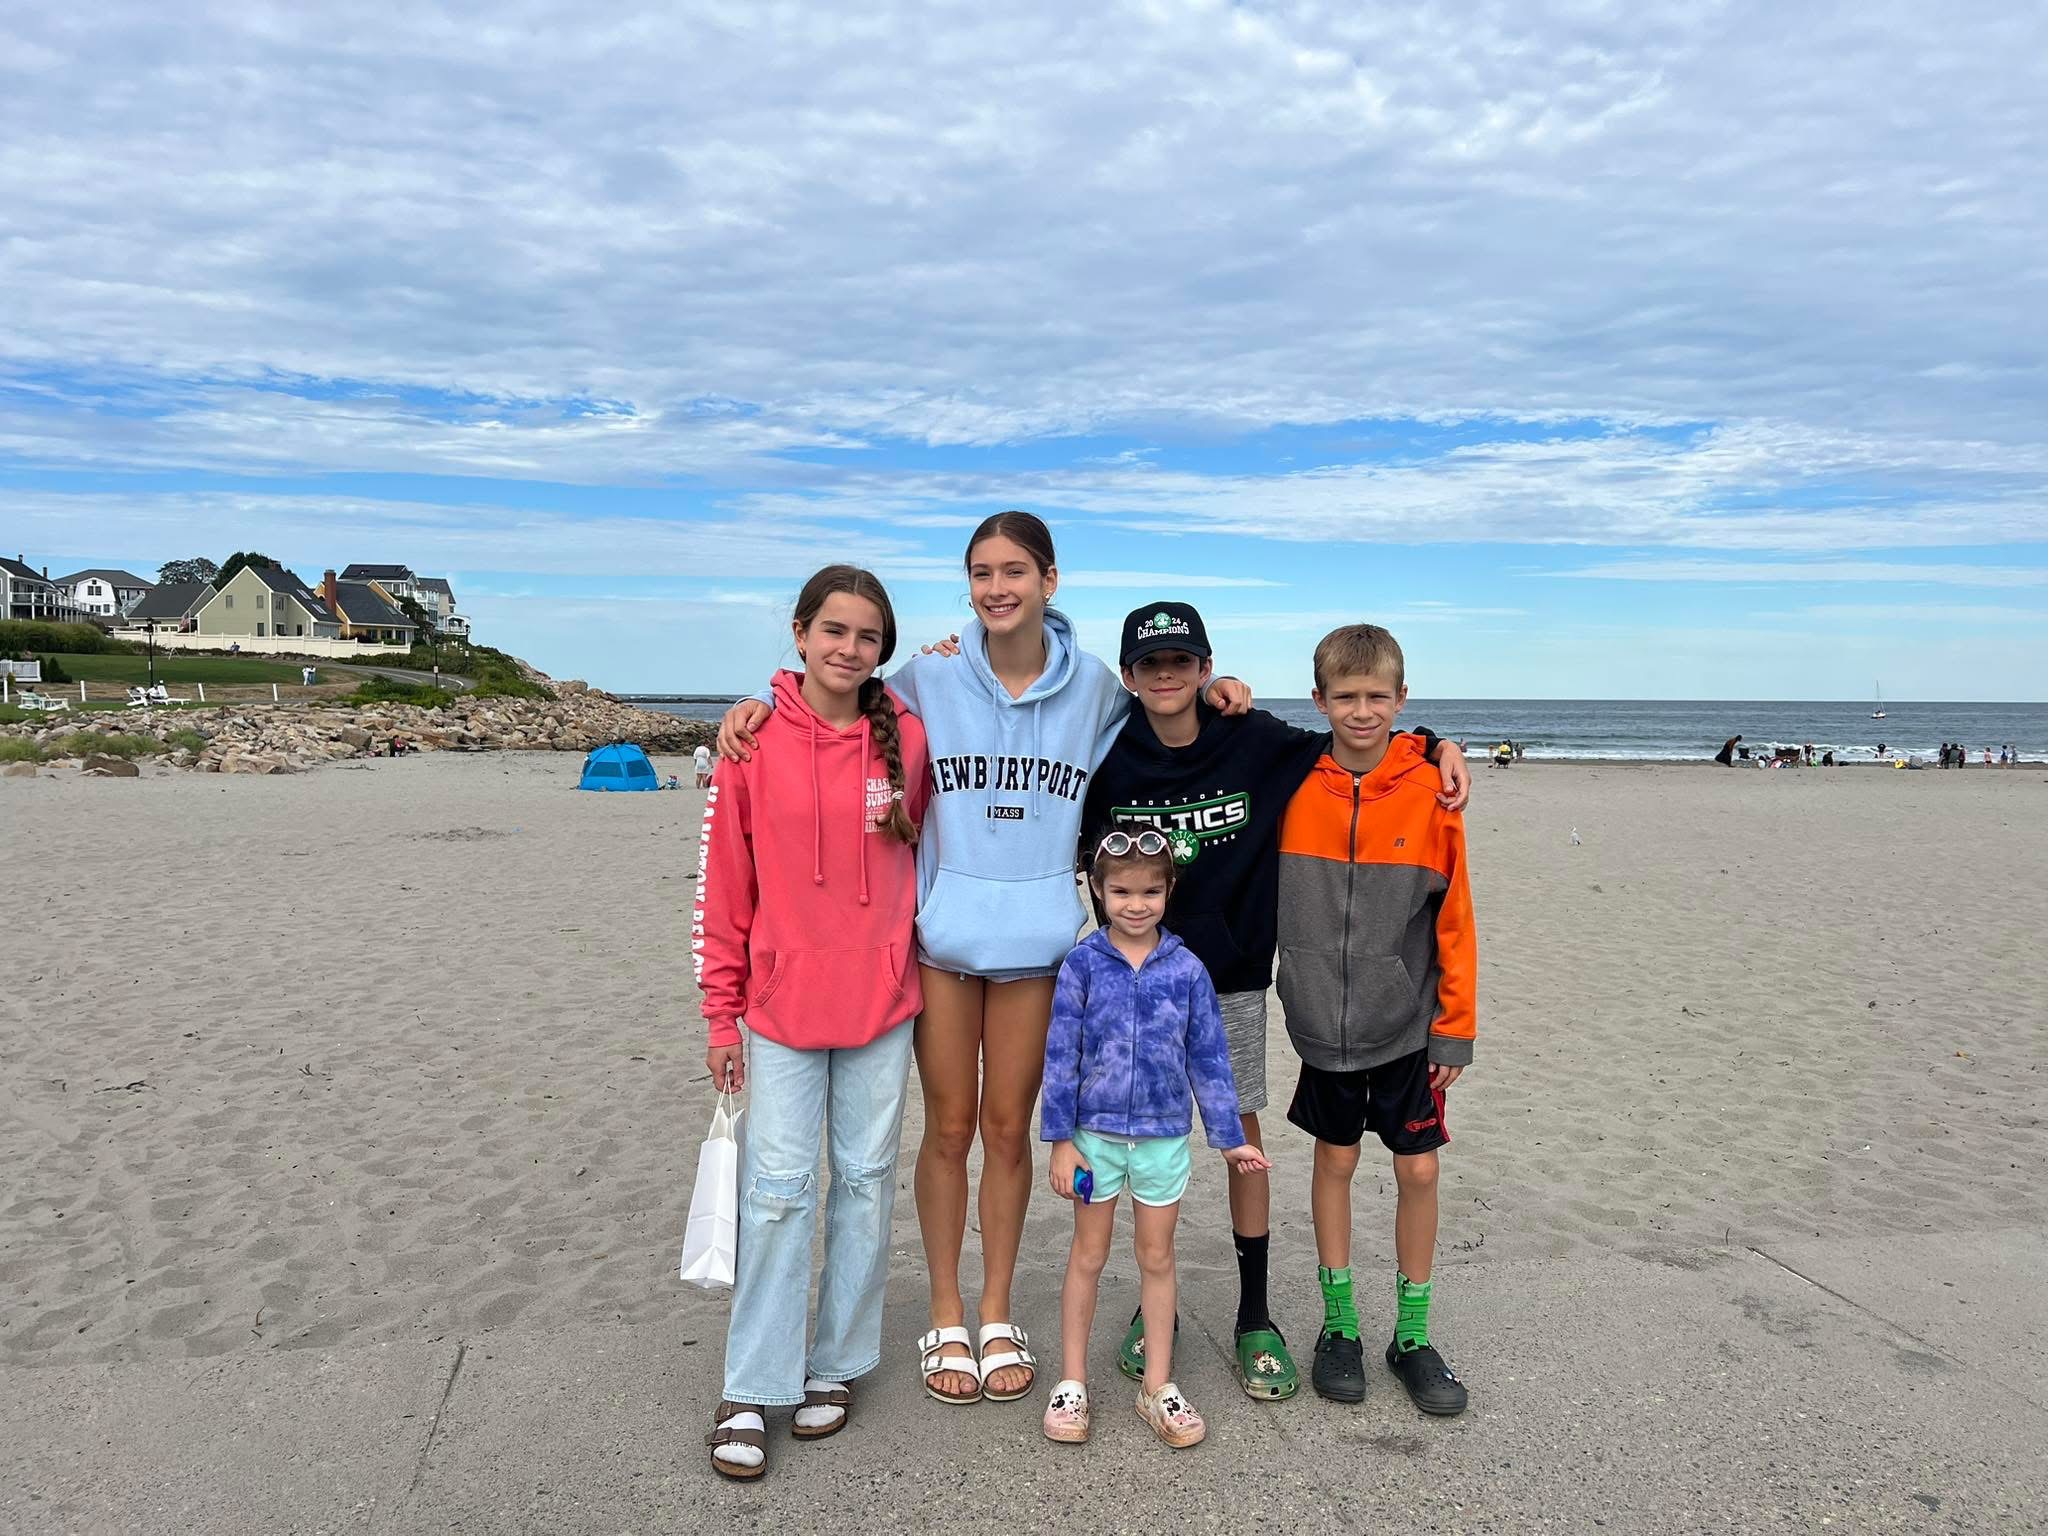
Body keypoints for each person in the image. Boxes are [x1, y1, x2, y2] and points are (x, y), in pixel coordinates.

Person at [717, 512, 1254, 1407]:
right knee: (948, 1130)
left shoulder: (1095, 688)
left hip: (1037, 952)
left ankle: (997, 1310)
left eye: (1014, 571)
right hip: (942, 945)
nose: (997, 588)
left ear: (1050, 580)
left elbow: (1171, 714)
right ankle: (945, 1310)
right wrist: (761, 705)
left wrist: (1224, 688)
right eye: (981, 573)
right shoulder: (926, 678)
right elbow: (834, 699)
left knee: (1008, 1133)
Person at [1080, 600, 1467, 1400]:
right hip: (1136, 986)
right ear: (1128, 675)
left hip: (1231, 979)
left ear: (1205, 667)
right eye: (1150, 664)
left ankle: (1255, 1313)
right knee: (1143, 1141)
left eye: (1182, 662)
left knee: (1240, 1138)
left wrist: (1436, 744)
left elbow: (1358, 743)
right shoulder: (1107, 751)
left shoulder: (1253, 739)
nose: (1167, 675)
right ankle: (1154, 1305)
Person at [696, 565, 931, 1481]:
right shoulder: (751, 744)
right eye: (834, 630)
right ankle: (752, 1385)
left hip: (882, 1003)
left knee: (865, 1184)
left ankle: (836, 1363)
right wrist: (721, 1015)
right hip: (782, 1006)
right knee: (779, 1193)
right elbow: (725, 890)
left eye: (868, 636)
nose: (849, 649)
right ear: (800, 634)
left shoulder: (907, 734)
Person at [1279, 624, 1476, 1417]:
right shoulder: (1294, 781)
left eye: (1376, 697)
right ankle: (1340, 1326)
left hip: (1406, 1025)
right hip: (1321, 1023)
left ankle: (1413, 1336)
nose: (1361, 711)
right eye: (1345, 697)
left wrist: (1454, 1027)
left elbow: (1455, 919)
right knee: (1334, 1160)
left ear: (1401, 698)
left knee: (1418, 1171)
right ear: (1319, 700)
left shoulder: (1432, 791)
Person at [1040, 826, 1270, 1448]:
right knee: (1088, 1255)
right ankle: (1072, 1382)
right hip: (1093, 1140)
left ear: (1169, 891)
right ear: (1097, 889)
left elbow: (1210, 1059)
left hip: (1164, 1140)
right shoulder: (1083, 964)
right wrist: (1060, 1139)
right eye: (1121, 892)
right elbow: (1060, 1056)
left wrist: (1229, 1138)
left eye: (1149, 892)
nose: (1136, 905)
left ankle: (1157, 1386)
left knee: (1157, 1257)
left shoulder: (1188, 970)